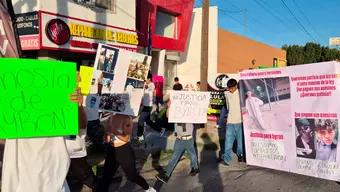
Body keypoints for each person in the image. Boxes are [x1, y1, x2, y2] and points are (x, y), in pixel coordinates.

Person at [1, 73, 84, 192]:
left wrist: (78, 106)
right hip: (24, 185)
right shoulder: (16, 117)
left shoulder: (58, 115)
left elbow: (79, 129)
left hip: (55, 182)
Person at [99, 114, 156, 192]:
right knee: (106, 175)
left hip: (124, 151)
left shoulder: (127, 118)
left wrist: (114, 131)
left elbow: (126, 138)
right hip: (112, 150)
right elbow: (107, 140)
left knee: (132, 176)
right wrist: (106, 133)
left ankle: (148, 188)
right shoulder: (110, 118)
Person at [155, 98, 199, 183]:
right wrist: (169, 107)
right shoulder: (176, 113)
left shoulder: (190, 114)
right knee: (174, 157)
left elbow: (197, 116)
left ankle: (195, 168)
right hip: (179, 139)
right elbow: (168, 116)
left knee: (192, 154)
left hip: (188, 138)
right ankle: (166, 175)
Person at [220, 79, 244, 166]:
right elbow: (227, 107)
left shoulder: (241, 94)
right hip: (230, 122)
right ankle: (226, 158)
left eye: (231, 88)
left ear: (235, 86)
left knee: (240, 142)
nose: (230, 89)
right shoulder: (227, 94)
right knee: (228, 142)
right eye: (229, 88)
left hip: (240, 122)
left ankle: (240, 155)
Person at [136, 73, 155, 141]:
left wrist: (144, 84)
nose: (145, 80)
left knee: (140, 120)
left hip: (148, 106)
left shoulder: (152, 85)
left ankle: (140, 136)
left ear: (149, 79)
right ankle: (160, 129)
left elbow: (148, 88)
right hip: (145, 105)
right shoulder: (145, 84)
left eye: (146, 79)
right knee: (148, 121)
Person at [85, 81, 103, 149]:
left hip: (93, 119)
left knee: (92, 136)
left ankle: (93, 147)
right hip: (91, 119)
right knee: (91, 136)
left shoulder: (97, 95)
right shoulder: (96, 95)